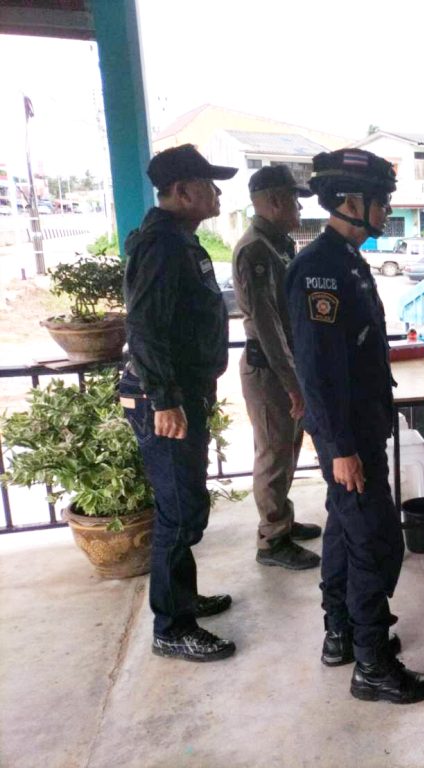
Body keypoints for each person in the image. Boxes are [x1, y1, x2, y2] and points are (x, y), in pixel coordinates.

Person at [285, 148, 424, 704]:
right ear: (351, 201)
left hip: (359, 428)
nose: (387, 211)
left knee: (346, 533)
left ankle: (342, 633)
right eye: (382, 201)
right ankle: (372, 664)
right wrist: (340, 447)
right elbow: (319, 369)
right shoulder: (320, 269)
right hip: (348, 437)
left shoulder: (347, 261)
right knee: (374, 542)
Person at [120, 144, 238, 662]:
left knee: (186, 507)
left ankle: (182, 600)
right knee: (178, 513)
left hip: (182, 393)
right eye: (209, 186)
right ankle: (171, 627)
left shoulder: (179, 241)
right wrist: (166, 400)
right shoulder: (162, 245)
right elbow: (144, 327)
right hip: (162, 400)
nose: (217, 195)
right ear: (183, 191)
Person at [233, 165, 321, 570]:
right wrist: (292, 383)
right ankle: (272, 540)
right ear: (274, 201)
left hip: (285, 366)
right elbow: (267, 327)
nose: (300, 208)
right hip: (269, 369)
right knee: (272, 455)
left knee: (287, 449)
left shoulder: (277, 244)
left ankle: (281, 518)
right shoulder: (256, 250)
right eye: (294, 199)